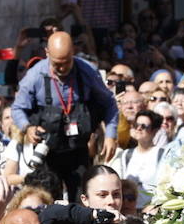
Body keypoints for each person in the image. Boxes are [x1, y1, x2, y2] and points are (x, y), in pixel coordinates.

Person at [11, 31, 119, 200]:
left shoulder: (87, 72)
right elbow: (17, 108)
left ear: (73, 53)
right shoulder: (35, 75)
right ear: (47, 53)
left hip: (78, 150)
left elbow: (109, 104)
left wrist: (111, 136)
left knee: (81, 199)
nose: (61, 68)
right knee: (48, 200)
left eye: (66, 63)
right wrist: (28, 127)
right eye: (56, 64)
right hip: (47, 150)